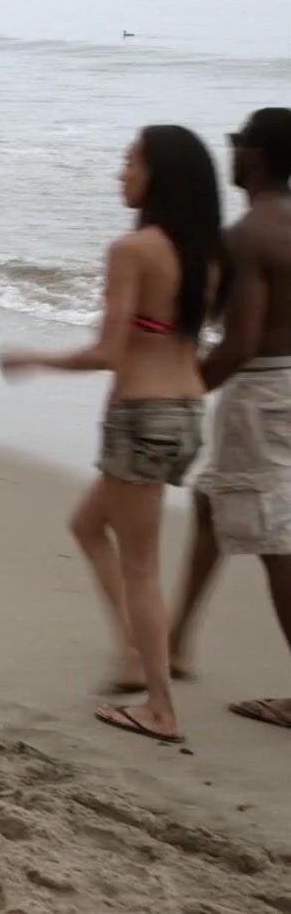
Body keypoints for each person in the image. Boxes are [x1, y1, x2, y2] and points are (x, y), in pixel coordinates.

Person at [0, 125, 227, 744]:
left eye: (130, 162)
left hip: (141, 417)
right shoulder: (208, 254)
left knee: (142, 568)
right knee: (86, 524)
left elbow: (108, 352)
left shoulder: (133, 250)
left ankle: (159, 707)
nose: (120, 173)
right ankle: (130, 652)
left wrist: (33, 359)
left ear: (160, 176)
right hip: (186, 414)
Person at [169, 107, 291, 732]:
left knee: (275, 545)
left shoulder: (248, 236)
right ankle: (175, 639)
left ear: (257, 157)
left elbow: (240, 343)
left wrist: (178, 390)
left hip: (261, 393)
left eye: (237, 142)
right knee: (211, 503)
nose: (232, 152)